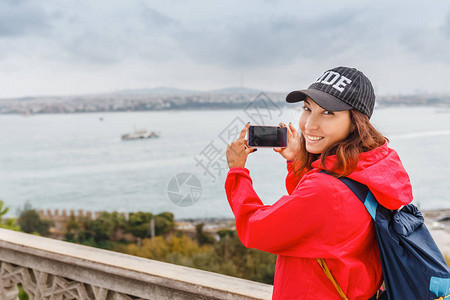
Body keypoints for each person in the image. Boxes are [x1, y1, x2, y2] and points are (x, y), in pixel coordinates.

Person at [224, 66, 413, 299]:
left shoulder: (326, 190)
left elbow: (255, 230)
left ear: (355, 122)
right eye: (307, 109)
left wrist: (237, 172)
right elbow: (324, 219)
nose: (309, 125)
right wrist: (298, 162)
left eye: (328, 113)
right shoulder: (369, 169)